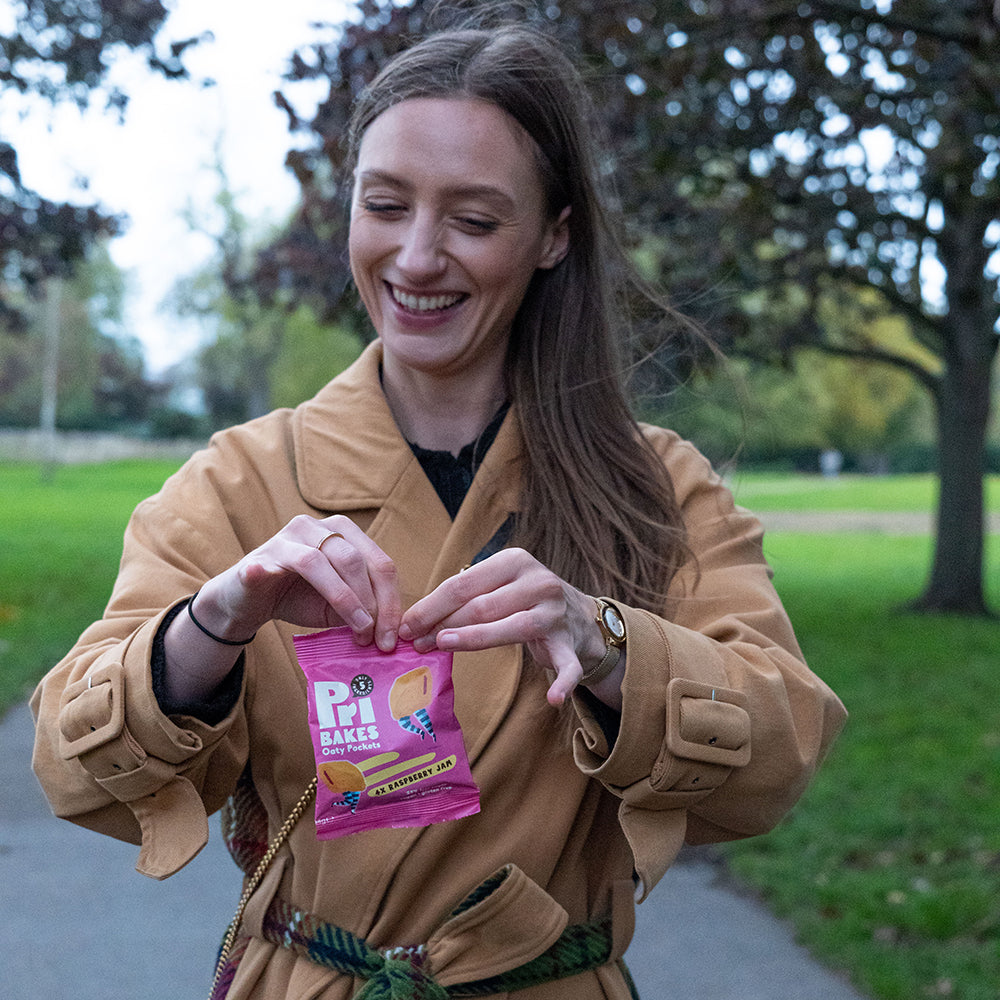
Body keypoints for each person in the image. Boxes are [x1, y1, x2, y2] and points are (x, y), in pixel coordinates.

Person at [31, 20, 846, 1000]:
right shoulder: (237, 482)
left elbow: (782, 748)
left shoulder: (656, 488)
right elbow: (71, 770)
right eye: (385, 206)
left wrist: (605, 644)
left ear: (553, 236)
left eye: (472, 219)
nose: (416, 258)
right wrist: (212, 624)